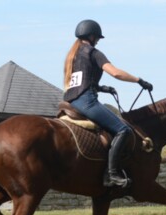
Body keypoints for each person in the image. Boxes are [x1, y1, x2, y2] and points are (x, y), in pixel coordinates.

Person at [63, 19, 153, 188]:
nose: (97, 40)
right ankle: (111, 174)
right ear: (91, 36)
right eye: (97, 37)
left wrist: (101, 88)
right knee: (123, 130)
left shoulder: (73, 56)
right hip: (86, 101)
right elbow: (116, 73)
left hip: (70, 101)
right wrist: (139, 80)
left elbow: (81, 81)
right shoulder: (93, 52)